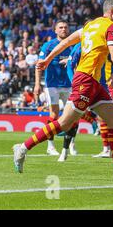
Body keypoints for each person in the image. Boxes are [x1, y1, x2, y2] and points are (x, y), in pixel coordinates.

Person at [13, 0, 113, 180]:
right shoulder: (111, 27)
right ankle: (22, 148)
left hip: (94, 82)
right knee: (64, 123)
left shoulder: (90, 26)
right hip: (86, 79)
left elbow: (66, 41)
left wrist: (48, 59)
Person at [33, 21, 78, 157]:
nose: (64, 29)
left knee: (74, 116)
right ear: (55, 30)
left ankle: (71, 144)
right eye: (61, 27)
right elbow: (39, 65)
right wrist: (37, 84)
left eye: (65, 27)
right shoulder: (48, 45)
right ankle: (50, 146)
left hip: (70, 85)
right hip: (52, 85)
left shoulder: (73, 45)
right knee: (53, 115)